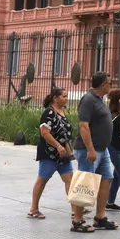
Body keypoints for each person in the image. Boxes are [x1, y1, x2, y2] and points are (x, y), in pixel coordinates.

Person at [71, 71, 118, 233]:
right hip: (88, 150)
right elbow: (83, 125)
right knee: (85, 183)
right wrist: (90, 149)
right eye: (110, 83)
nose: (111, 86)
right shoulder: (88, 99)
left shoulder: (99, 99)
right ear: (103, 85)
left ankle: (100, 217)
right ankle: (77, 220)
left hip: (102, 150)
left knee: (107, 179)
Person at [28, 87, 75, 220]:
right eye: (64, 96)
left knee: (70, 180)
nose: (66, 99)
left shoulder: (62, 112)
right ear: (55, 98)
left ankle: (75, 209)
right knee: (42, 179)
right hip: (50, 153)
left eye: (67, 96)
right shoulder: (49, 113)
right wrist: (58, 145)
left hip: (63, 155)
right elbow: (45, 133)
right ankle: (33, 209)